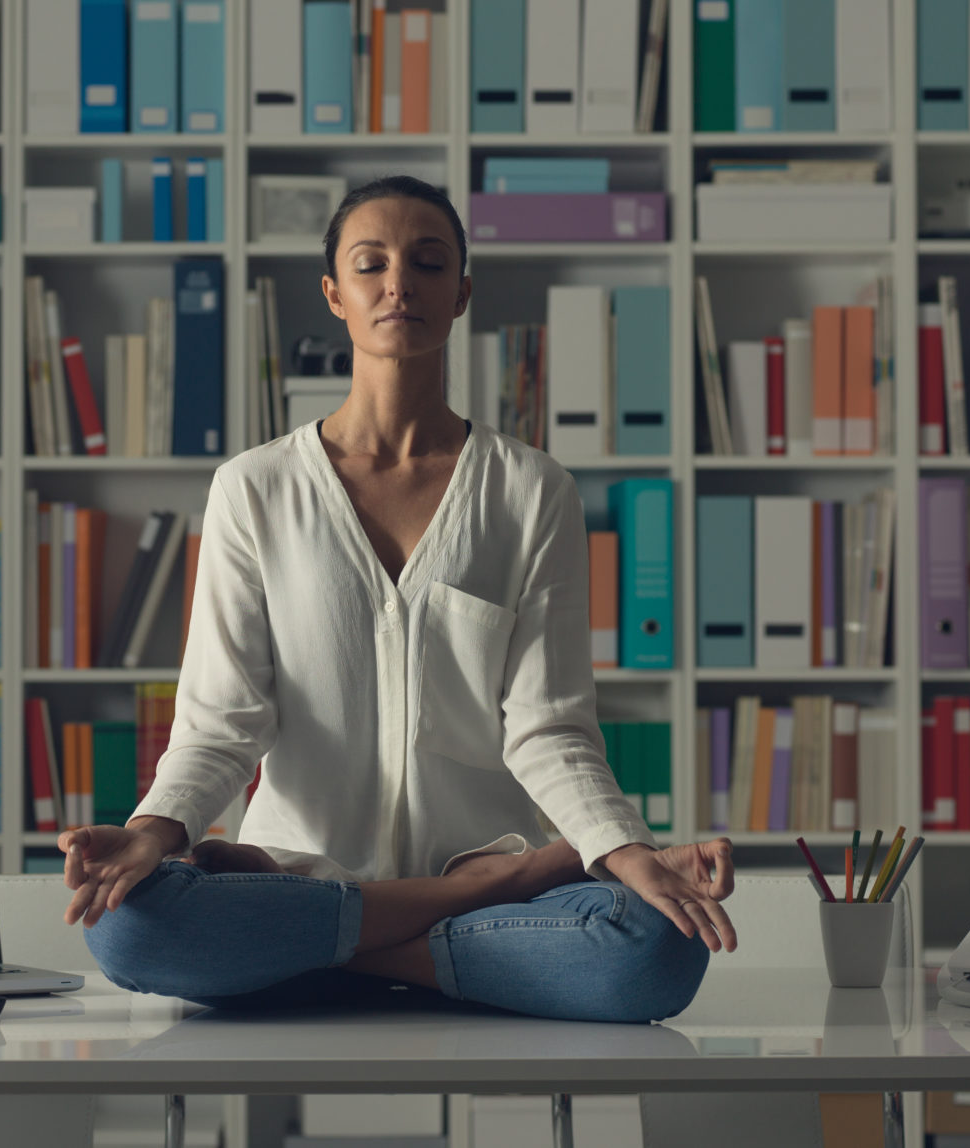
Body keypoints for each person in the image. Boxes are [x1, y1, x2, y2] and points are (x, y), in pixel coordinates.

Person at [56, 175, 735, 1023]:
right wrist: (154, 833)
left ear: (461, 294)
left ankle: (325, 963)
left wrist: (620, 852)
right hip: (303, 878)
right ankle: (467, 911)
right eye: (371, 263)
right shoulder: (254, 489)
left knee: (657, 953)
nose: (399, 283)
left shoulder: (531, 491)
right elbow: (220, 723)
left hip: (471, 898)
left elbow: (549, 726)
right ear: (335, 294)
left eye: (427, 262)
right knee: (127, 932)